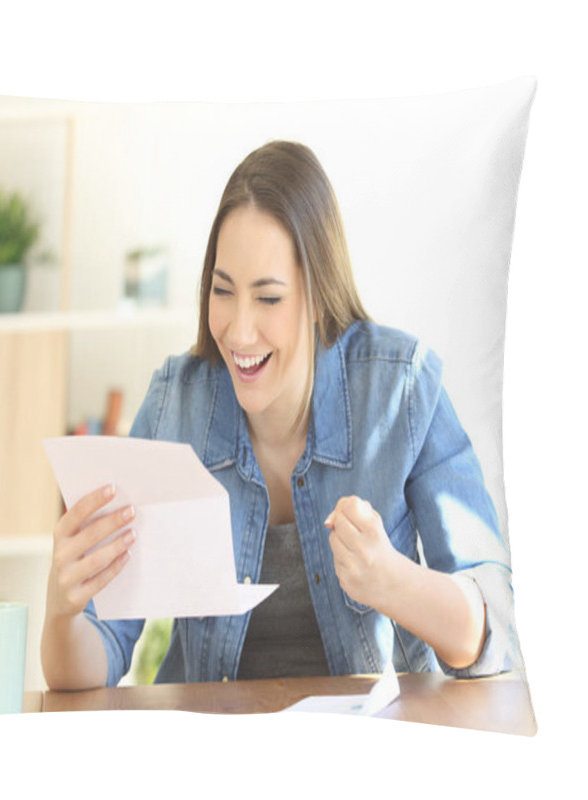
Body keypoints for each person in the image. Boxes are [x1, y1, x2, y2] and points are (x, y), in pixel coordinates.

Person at [41, 140, 519, 689]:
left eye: (268, 299)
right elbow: (92, 662)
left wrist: (395, 583)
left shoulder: (401, 391)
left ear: (318, 296)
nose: (239, 332)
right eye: (223, 292)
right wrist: (62, 613)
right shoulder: (175, 408)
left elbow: (492, 629)